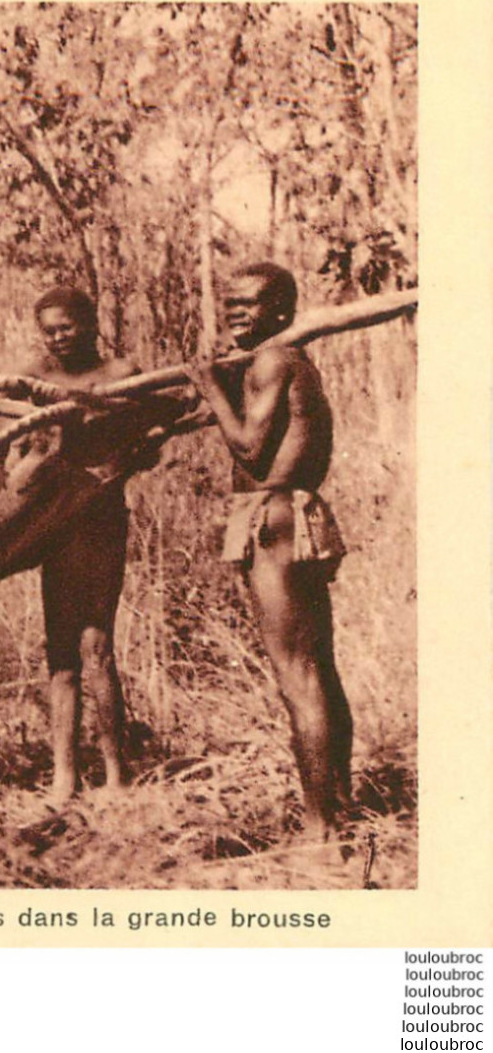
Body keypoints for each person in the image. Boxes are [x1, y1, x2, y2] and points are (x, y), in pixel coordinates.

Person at [186, 262, 351, 839]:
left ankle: (319, 827)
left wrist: (210, 385)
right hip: (294, 515)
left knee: (298, 675)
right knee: (319, 668)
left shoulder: (274, 360)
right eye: (229, 303)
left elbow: (252, 451)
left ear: (281, 311)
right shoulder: (288, 362)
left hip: (276, 517)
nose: (235, 312)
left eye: (249, 304)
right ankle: (342, 803)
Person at [0, 286, 136, 803]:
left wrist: (103, 438)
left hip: (99, 519)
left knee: (97, 646)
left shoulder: (123, 374)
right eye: (49, 330)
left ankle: (118, 776)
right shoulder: (37, 377)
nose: (58, 338)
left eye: (67, 327)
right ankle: (65, 775)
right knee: (60, 651)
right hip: (51, 523)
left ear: (91, 322)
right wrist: (28, 408)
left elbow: (150, 439)